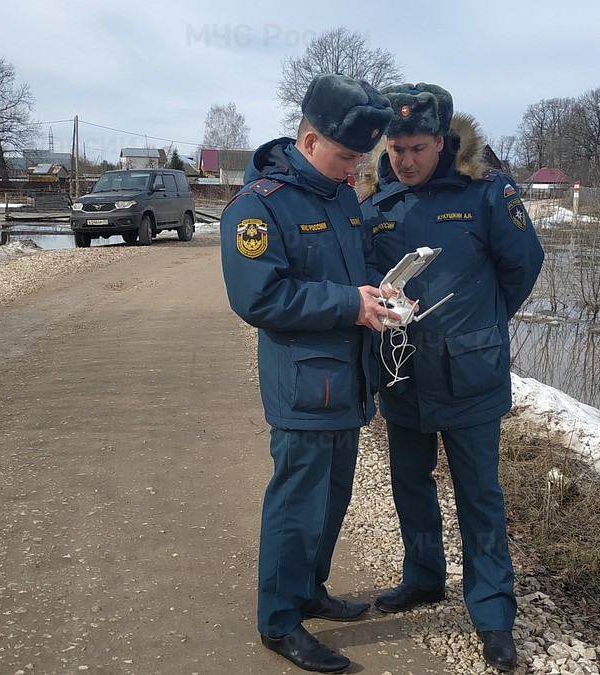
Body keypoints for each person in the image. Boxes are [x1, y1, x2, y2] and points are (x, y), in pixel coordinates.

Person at [357, 83, 545, 673]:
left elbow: (522, 267)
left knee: (479, 497)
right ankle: (424, 578)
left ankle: (492, 614)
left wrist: (481, 323)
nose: (404, 160)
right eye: (395, 149)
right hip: (403, 372)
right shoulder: (376, 202)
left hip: (470, 374)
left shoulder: (486, 194)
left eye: (416, 147)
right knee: (411, 484)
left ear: (441, 141)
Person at [219, 73, 396, 674]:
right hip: (303, 384)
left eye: (360, 159)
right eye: (347, 156)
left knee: (334, 497)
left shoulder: (341, 196)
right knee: (296, 503)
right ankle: (279, 620)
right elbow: (259, 299)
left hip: (349, 377)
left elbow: (356, 268)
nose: (355, 170)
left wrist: (383, 293)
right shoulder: (256, 207)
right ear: (311, 138)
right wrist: (351, 305)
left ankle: (310, 590)